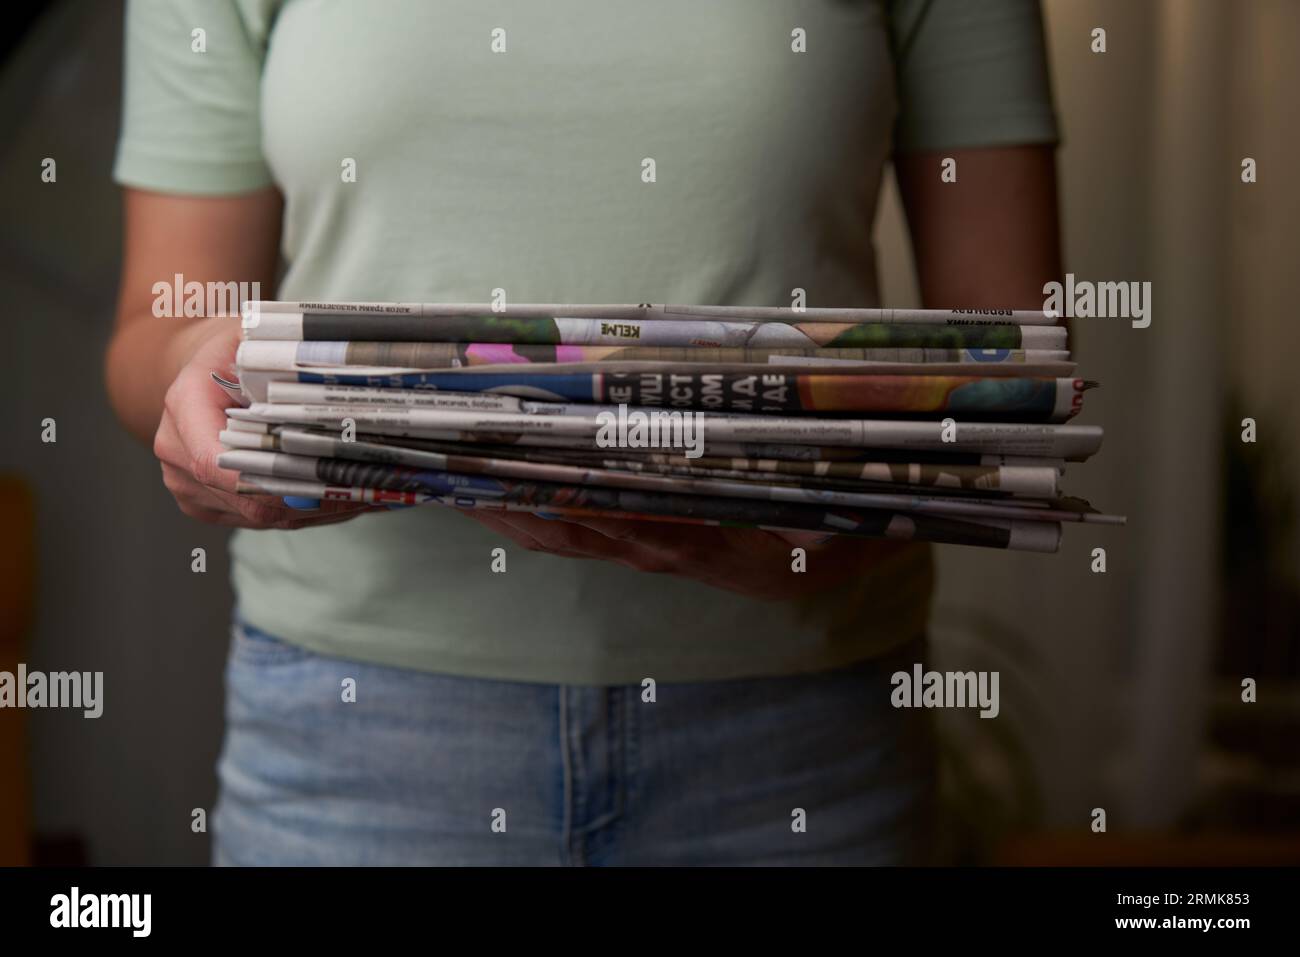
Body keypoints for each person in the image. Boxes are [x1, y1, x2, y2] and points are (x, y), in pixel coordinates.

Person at [106, 0, 1061, 865]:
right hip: (356, 732)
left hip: (799, 731)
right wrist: (209, 370)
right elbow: (161, 321)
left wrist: (854, 523)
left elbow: (1010, 362)